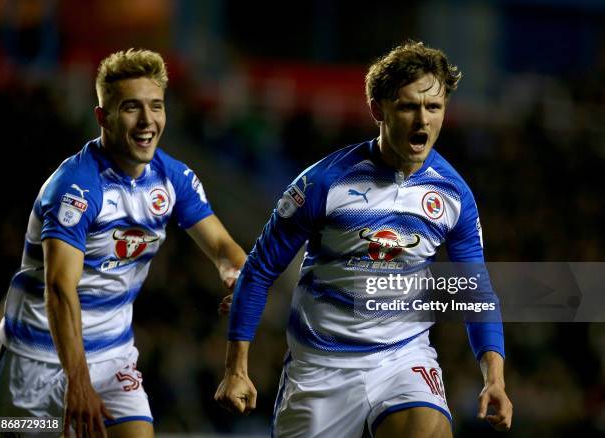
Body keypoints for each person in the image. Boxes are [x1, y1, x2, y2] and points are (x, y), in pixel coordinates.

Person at [215, 41, 512, 437]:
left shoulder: (453, 195)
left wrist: (495, 378)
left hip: (402, 359)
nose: (422, 120)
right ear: (378, 110)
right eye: (408, 106)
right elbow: (260, 269)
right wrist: (237, 369)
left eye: (434, 108)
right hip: (319, 369)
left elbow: (475, 291)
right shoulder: (322, 182)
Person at [0, 48, 245, 437]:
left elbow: (223, 247)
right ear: (102, 117)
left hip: (113, 358)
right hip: (36, 361)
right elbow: (60, 288)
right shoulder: (76, 188)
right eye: (131, 108)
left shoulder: (173, 178)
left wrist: (234, 273)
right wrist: (77, 383)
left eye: (156, 106)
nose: (147, 121)